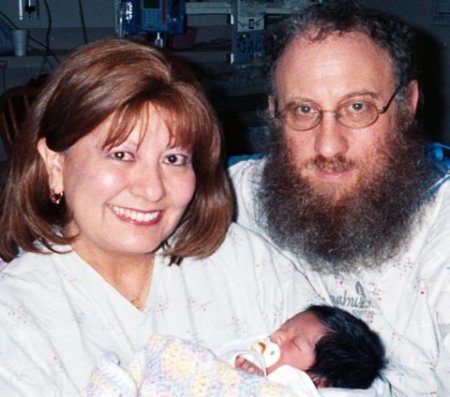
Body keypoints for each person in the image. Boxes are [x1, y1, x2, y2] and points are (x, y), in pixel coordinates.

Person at [0, 38, 320, 395]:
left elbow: (345, 377)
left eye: (173, 159)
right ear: (55, 164)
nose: (152, 189)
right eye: (121, 155)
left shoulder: (242, 262)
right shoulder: (15, 317)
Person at [229, 1, 450, 395]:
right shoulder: (234, 197)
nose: (329, 146)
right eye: (303, 110)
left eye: (357, 107)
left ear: (408, 104)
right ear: (274, 112)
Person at [232, 305, 386, 391]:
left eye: (294, 342)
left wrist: (258, 384)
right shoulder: (250, 353)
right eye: (283, 327)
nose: (278, 335)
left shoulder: (299, 387)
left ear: (317, 381)